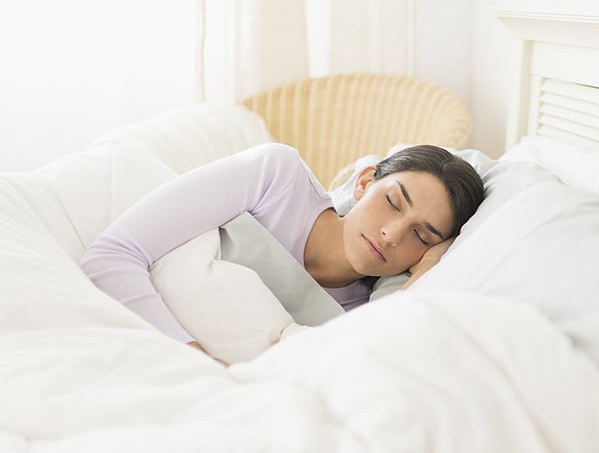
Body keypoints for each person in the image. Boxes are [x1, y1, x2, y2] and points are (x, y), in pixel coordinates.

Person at [80, 142, 485, 362]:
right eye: (394, 202)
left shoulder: (359, 315)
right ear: (364, 182)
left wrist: (423, 276)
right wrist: (194, 363)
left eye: (423, 235)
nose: (393, 234)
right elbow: (113, 255)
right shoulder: (276, 180)